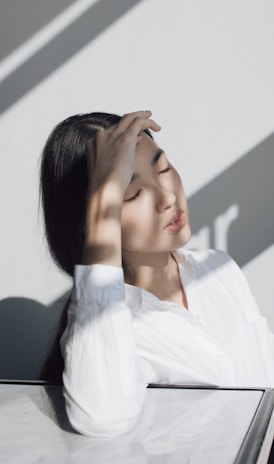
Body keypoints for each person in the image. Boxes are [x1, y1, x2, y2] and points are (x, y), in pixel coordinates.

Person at [40, 110, 274, 437]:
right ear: (91, 220)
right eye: (133, 193)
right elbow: (100, 418)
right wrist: (104, 198)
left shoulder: (219, 269)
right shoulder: (116, 327)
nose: (167, 198)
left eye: (163, 169)